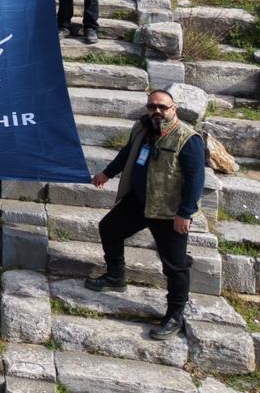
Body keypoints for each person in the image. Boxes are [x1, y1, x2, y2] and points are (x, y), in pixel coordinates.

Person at [86, 90, 205, 339]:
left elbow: (195, 179)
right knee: (109, 228)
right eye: (152, 107)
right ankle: (115, 276)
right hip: (139, 202)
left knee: (175, 265)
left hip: (168, 211)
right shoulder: (141, 129)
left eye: (162, 107)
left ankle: (174, 315)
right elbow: (127, 153)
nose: (156, 111)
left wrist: (185, 213)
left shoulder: (187, 138)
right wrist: (107, 173)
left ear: (174, 108)